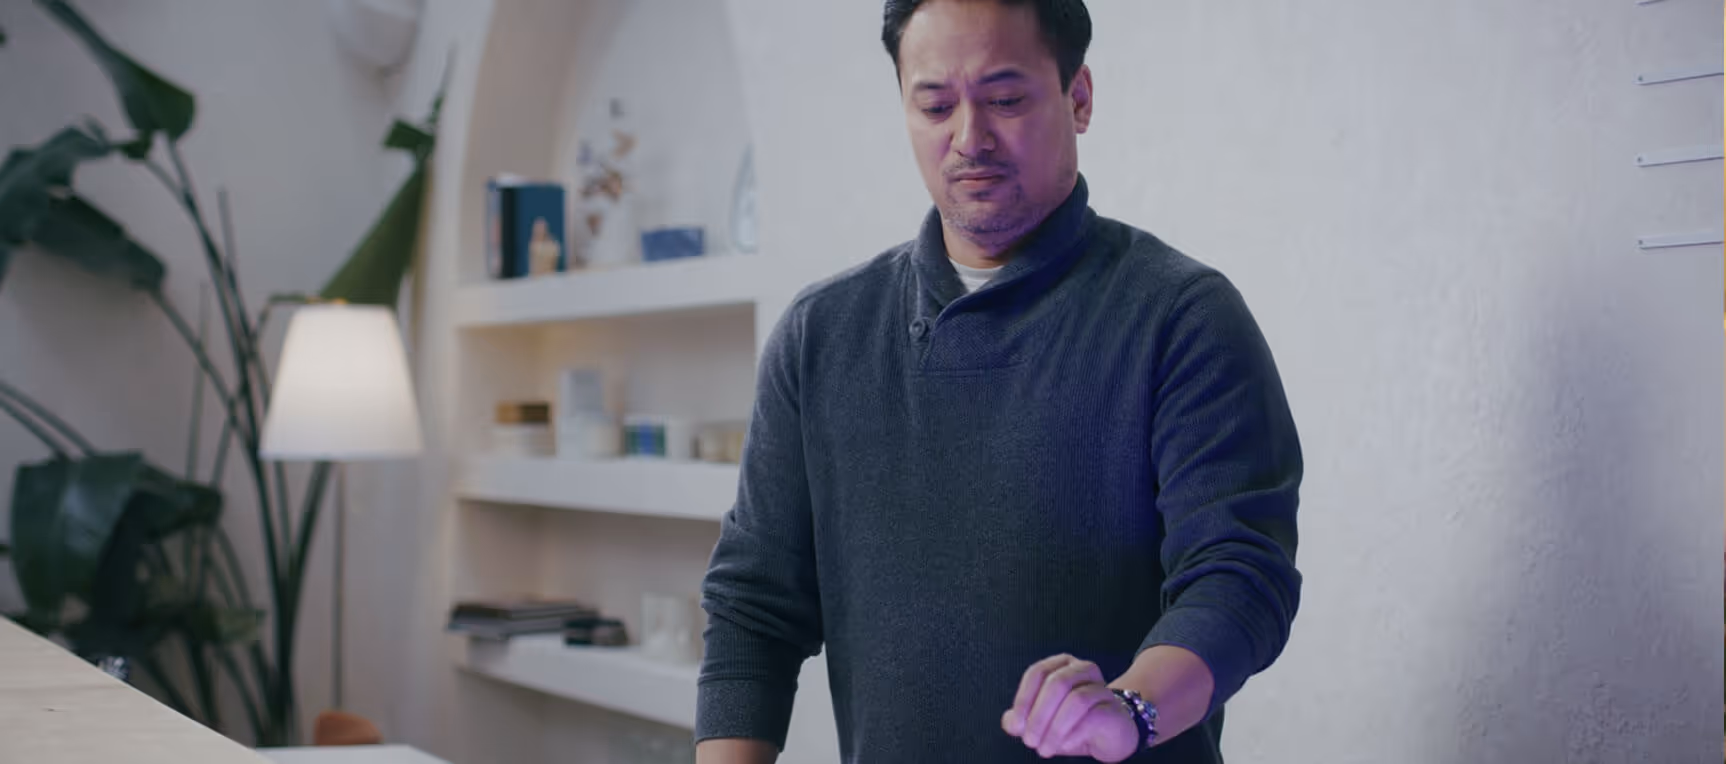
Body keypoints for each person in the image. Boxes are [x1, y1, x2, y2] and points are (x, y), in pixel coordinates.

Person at [695, 1, 1302, 761]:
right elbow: (754, 607)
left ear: (1078, 97)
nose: (969, 138)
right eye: (936, 104)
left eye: (1006, 99)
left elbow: (1239, 577)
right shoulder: (822, 334)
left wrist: (1129, 709)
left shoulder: (1182, 318)